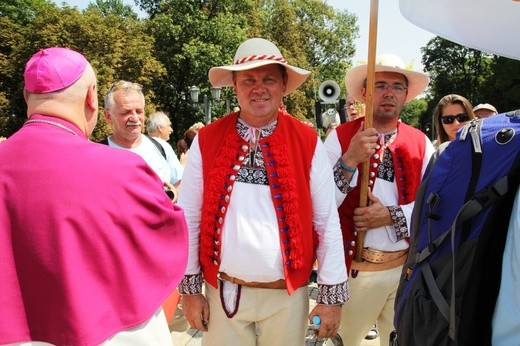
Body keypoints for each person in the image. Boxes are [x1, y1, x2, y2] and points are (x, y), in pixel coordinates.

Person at [0, 47, 188, 345]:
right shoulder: (123, 168)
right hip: (105, 333)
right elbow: (170, 237)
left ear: (26, 96)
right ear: (92, 97)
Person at [177, 37, 348, 346]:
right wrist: (190, 291)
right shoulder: (207, 139)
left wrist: (330, 296)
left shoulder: (308, 141)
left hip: (288, 295)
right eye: (249, 79)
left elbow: (325, 221)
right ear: (234, 85)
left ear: (283, 85)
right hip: (222, 292)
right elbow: (189, 216)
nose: (258, 88)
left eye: (268, 78)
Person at [323, 53, 435, 346]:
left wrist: (391, 215)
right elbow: (321, 203)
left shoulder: (421, 143)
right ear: (364, 93)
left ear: (406, 96)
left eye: (397, 87)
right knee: (345, 341)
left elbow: (435, 203)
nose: (388, 93)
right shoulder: (339, 137)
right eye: (380, 85)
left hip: (403, 271)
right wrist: (349, 160)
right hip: (354, 270)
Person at [103, 81, 183, 195]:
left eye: (139, 111)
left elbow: (182, 182)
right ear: (108, 116)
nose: (135, 118)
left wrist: (173, 194)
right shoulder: (98, 153)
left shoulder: (161, 147)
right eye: (126, 112)